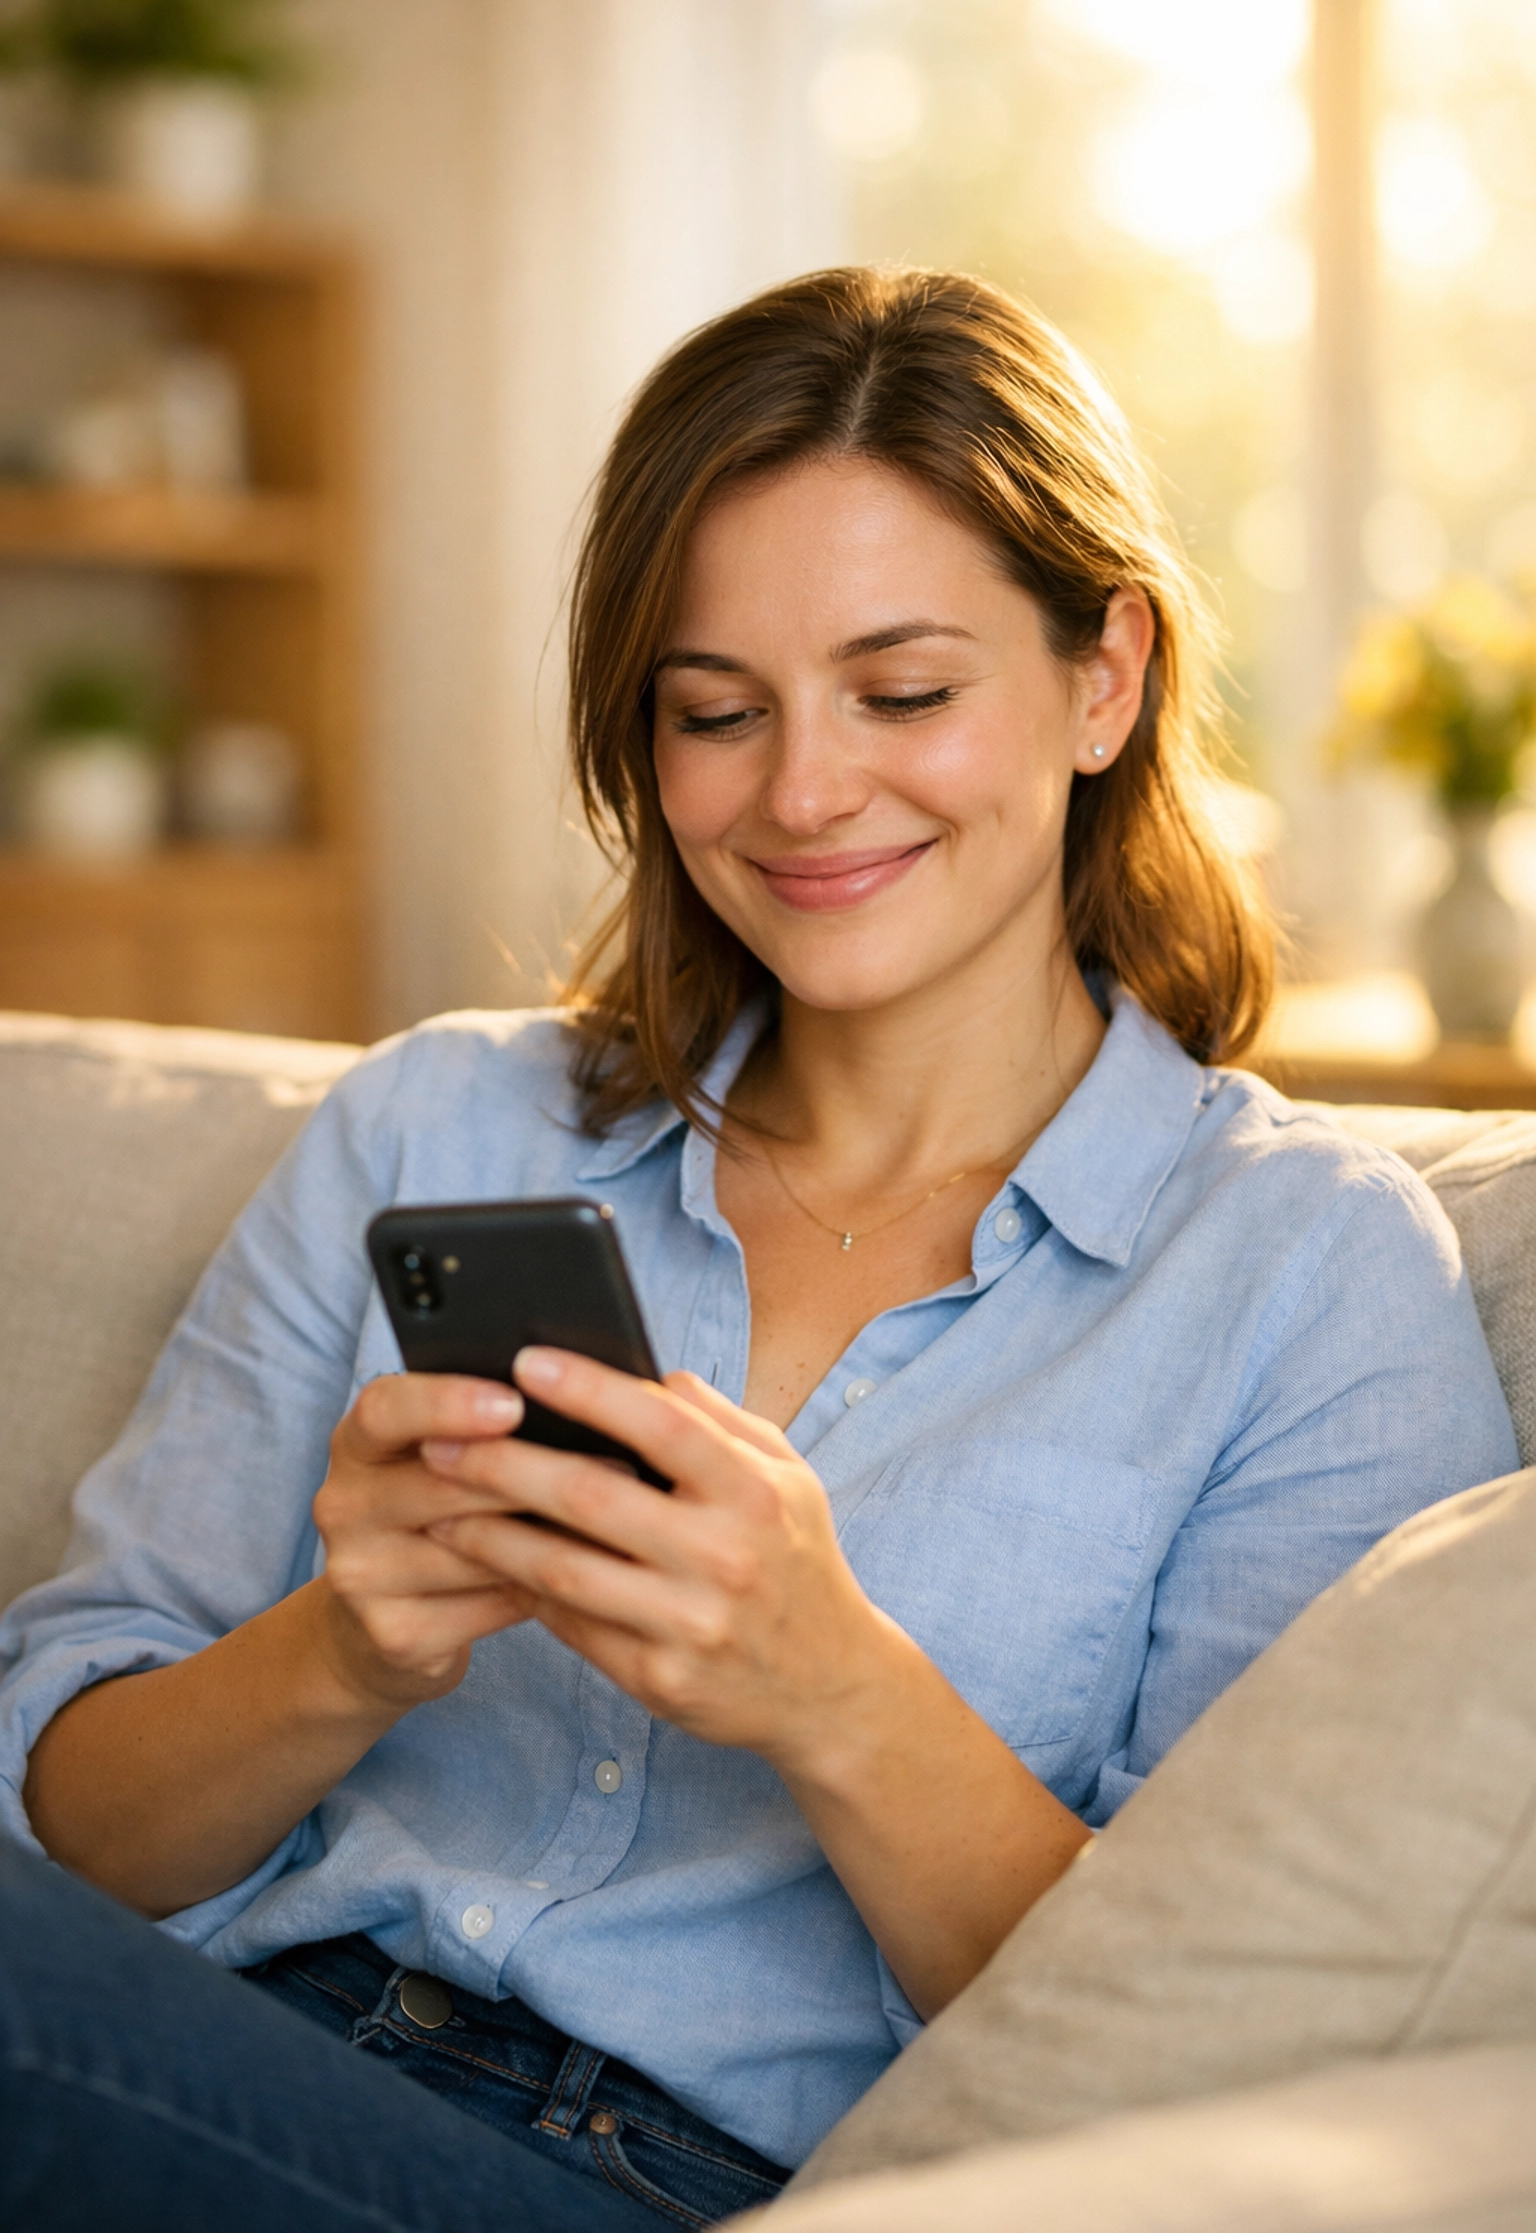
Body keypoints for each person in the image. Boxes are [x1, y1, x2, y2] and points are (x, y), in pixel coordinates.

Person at [0, 266, 1516, 2232]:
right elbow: (72, 1838)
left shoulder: (1307, 1279)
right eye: (716, 712)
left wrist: (836, 1689)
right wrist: (342, 1652)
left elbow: (1225, 2062)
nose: (802, 793)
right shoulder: (437, 1129)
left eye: (904, 693)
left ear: (1104, 678)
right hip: (228, 2062)